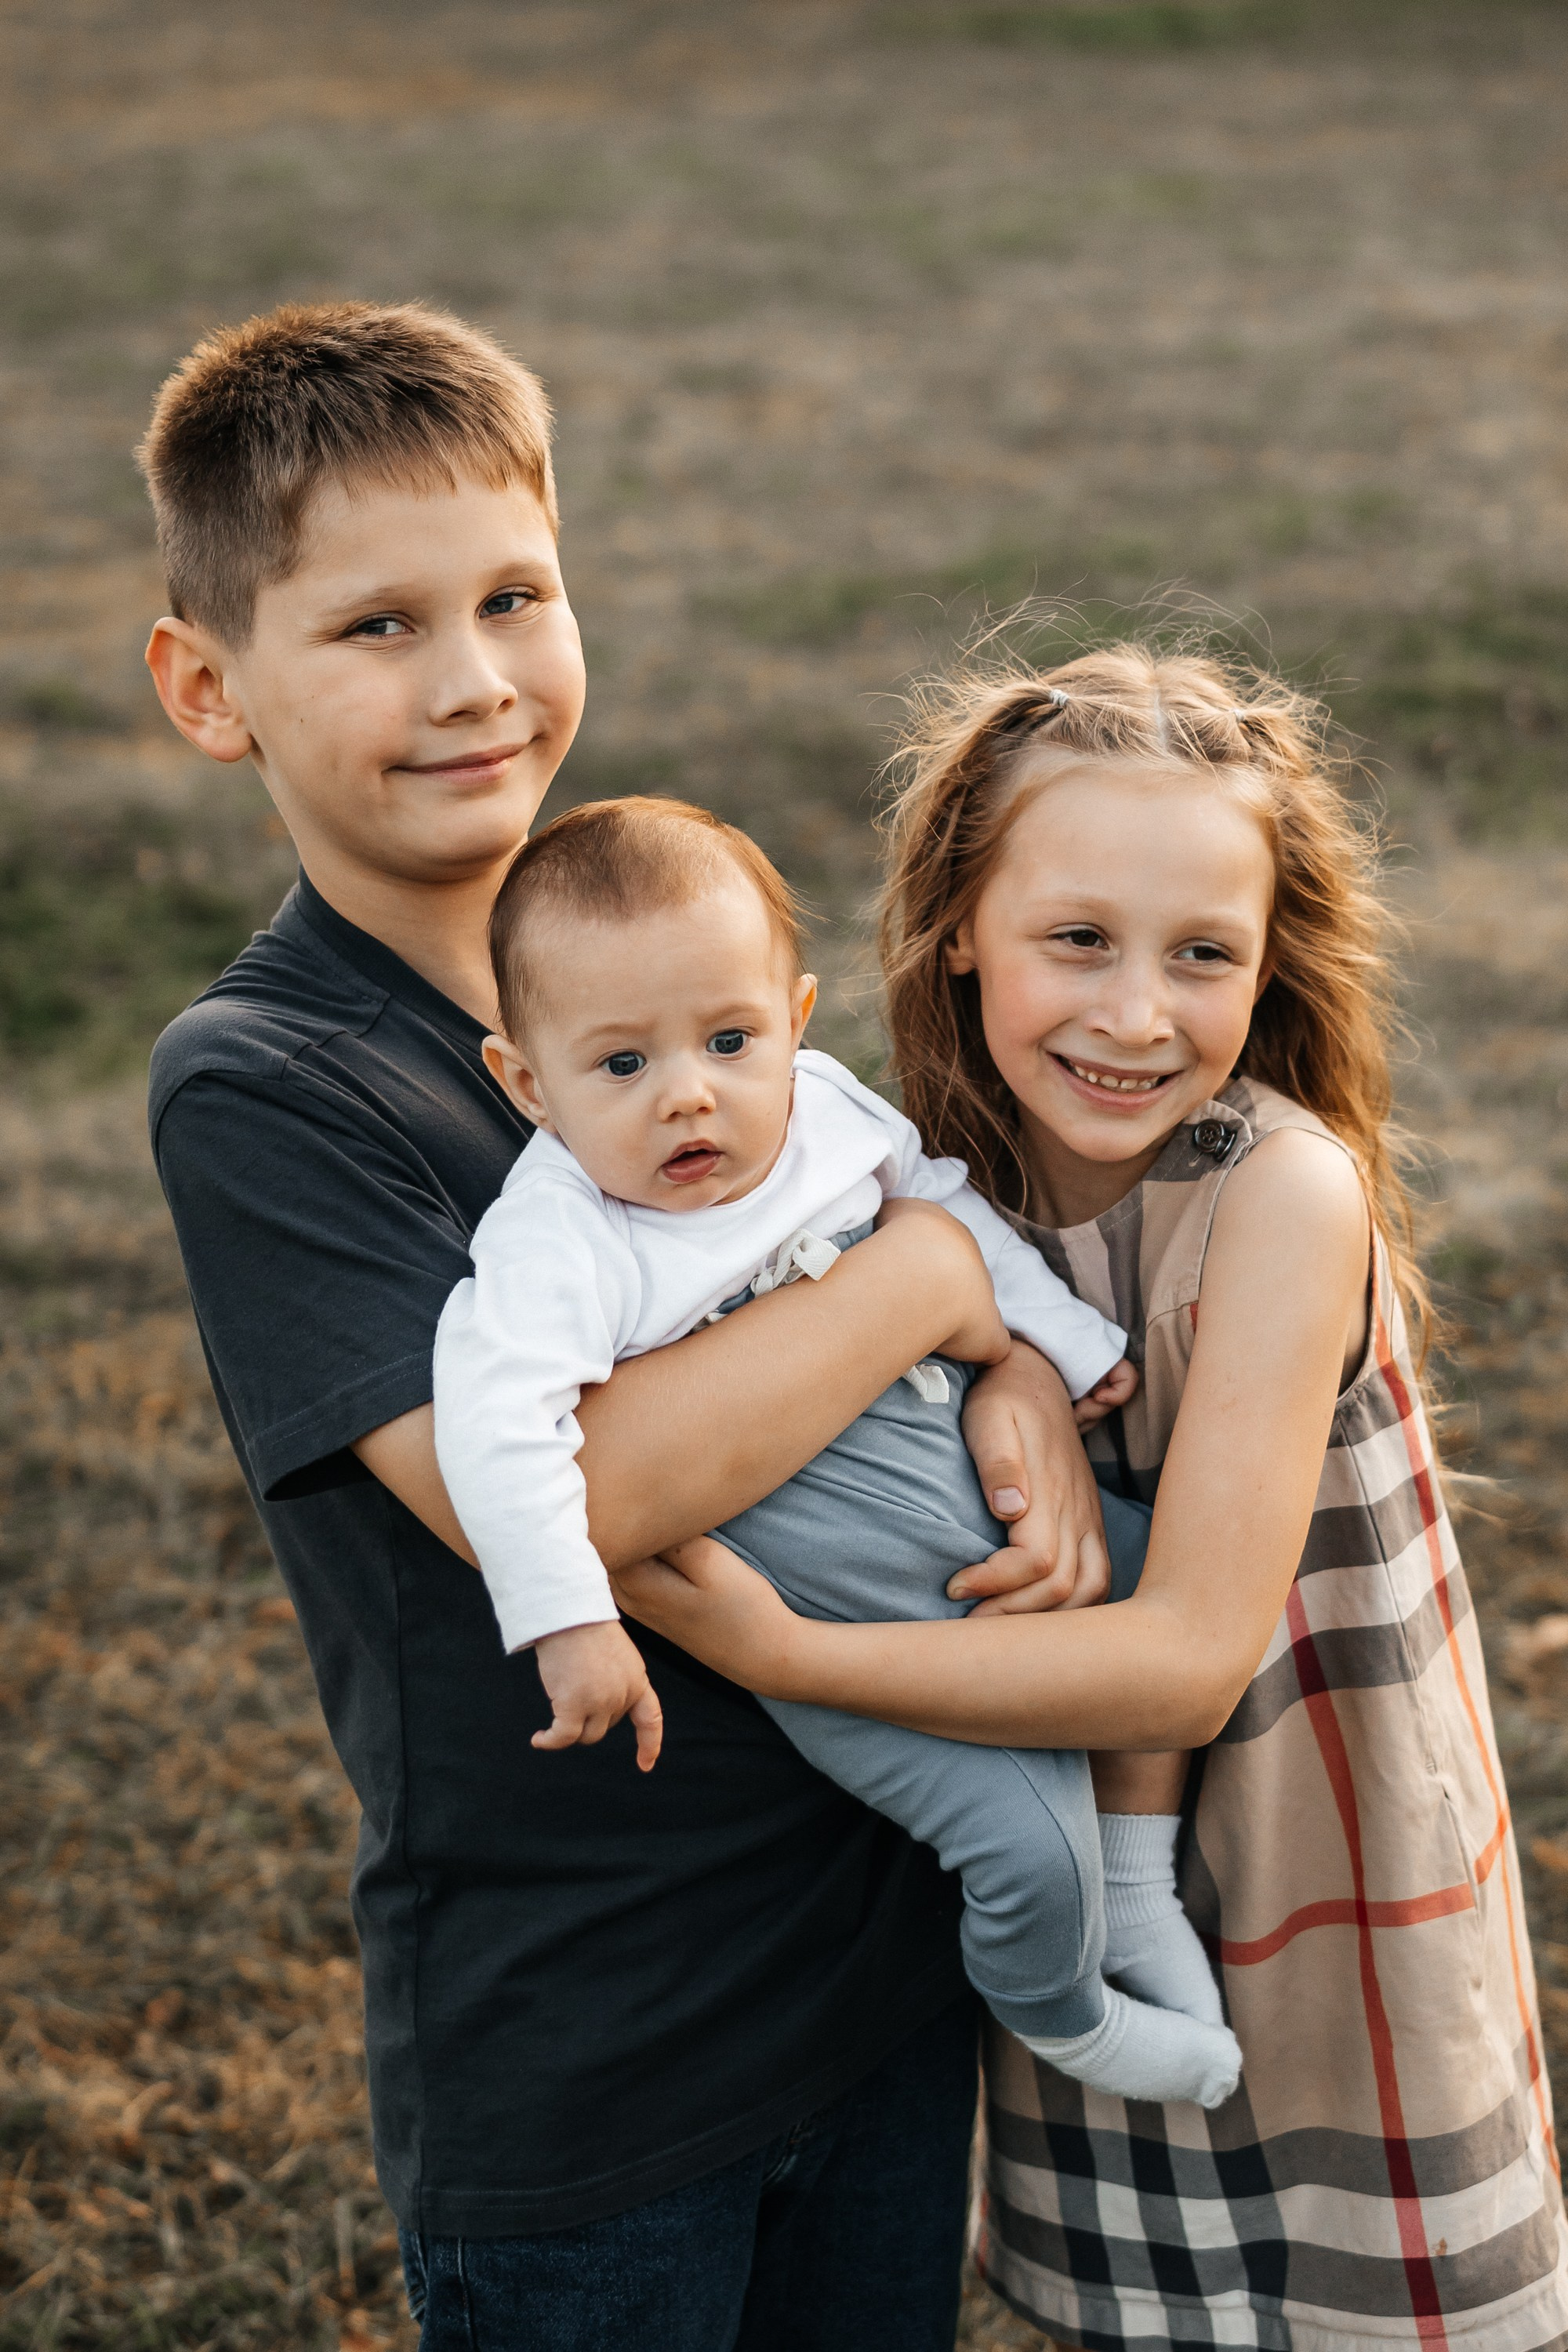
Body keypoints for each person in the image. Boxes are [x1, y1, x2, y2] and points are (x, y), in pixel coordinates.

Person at [139, 298, 1116, 2352]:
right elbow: (557, 1499)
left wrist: (1008, 1360)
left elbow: (869, 1197)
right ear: (206, 689)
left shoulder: (664, 957)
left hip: (870, 1959)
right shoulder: (267, 1079)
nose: (476, 680)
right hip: (593, 2047)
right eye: (377, 627)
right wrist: (925, 1293)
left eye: (515, 594)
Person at [616, 644, 1568, 2350]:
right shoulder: (904, 1182)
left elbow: (1186, 1665)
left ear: (1269, 962)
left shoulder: (1275, 1193)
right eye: (1078, 941)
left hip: (1301, 1894)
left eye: (1201, 955)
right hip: (1068, 1867)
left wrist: (786, 1655)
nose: (1137, 1016)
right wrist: (1005, 1372)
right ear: (956, 924)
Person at [433, 791, 1241, 2107]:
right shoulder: (559, 1236)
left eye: (729, 1039)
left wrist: (1047, 1346)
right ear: (529, 1082)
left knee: (1173, 1606)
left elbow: (938, 1205)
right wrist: (566, 1619)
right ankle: (1068, 2010)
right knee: (1025, 1847)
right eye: (621, 1066)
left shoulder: (819, 1111)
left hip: (975, 1524)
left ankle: (1138, 1886)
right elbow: (497, 1426)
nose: (689, 1095)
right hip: (835, 1614)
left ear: (797, 1024)